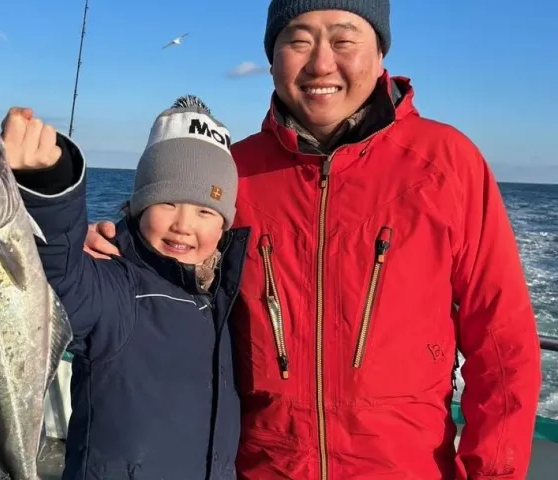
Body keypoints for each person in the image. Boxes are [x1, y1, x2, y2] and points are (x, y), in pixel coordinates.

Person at [82, 1, 543, 479]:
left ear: (380, 54)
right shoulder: (234, 175)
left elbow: (502, 343)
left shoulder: (447, 163)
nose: (321, 63)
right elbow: (170, 286)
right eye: (298, 40)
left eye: (344, 40)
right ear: (272, 56)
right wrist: (110, 253)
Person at [3, 96, 248, 479]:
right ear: (137, 208)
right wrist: (48, 187)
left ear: (224, 226)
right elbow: (57, 278)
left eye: (204, 210)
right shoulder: (114, 287)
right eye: (166, 202)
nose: (183, 224)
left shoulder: (224, 300)